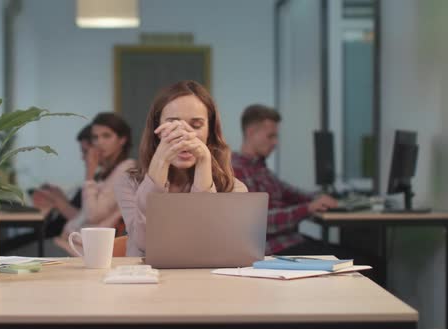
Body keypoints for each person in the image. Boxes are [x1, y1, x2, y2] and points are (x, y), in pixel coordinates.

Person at [114, 80, 248, 257]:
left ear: (210, 132)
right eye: (173, 124)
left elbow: (206, 245)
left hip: (205, 281)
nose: (184, 136)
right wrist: (160, 161)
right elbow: (146, 243)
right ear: (157, 130)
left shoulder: (233, 188)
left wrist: (203, 163)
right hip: (145, 280)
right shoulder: (129, 182)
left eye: (196, 125)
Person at [231, 104, 339, 255]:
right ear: (250, 133)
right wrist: (308, 208)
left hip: (291, 241)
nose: (275, 142)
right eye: (270, 136)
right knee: (363, 261)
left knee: (360, 257)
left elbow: (291, 192)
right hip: (276, 250)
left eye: (276, 136)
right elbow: (257, 222)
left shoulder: (260, 168)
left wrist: (318, 198)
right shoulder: (237, 171)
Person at [44, 113, 135, 254]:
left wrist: (89, 173)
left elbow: (93, 215)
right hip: (69, 242)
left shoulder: (126, 169)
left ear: (122, 139)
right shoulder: (107, 172)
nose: (99, 142)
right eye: (95, 137)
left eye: (106, 136)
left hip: (79, 250)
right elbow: (85, 214)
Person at [32, 124, 92, 238]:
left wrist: (56, 200)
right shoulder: (95, 178)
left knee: (5, 247)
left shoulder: (98, 182)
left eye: (85, 151)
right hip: (58, 233)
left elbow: (84, 219)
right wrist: (59, 196)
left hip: (60, 237)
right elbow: (80, 211)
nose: (82, 157)